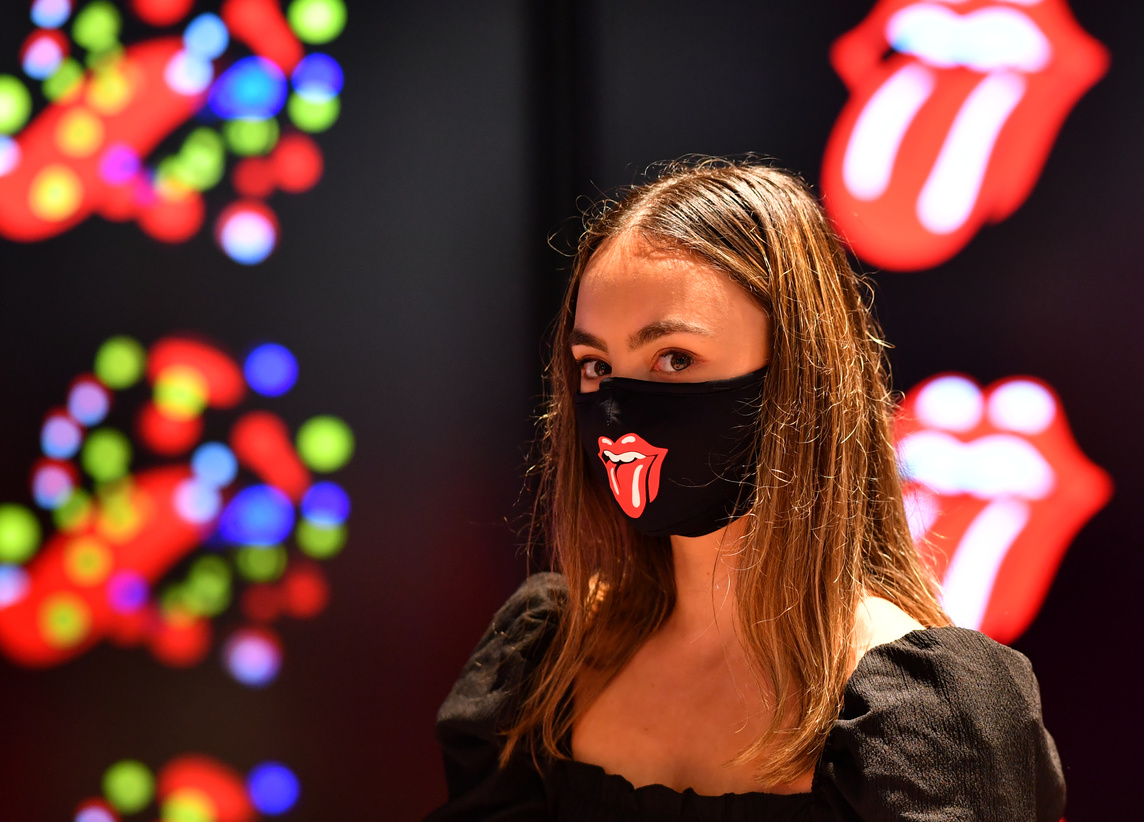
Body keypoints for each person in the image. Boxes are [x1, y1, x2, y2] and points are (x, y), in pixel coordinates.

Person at [425, 158, 1065, 821]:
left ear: (800, 377)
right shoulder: (547, 660)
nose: (615, 407)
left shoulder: (924, 713)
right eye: (595, 365)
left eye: (674, 358)